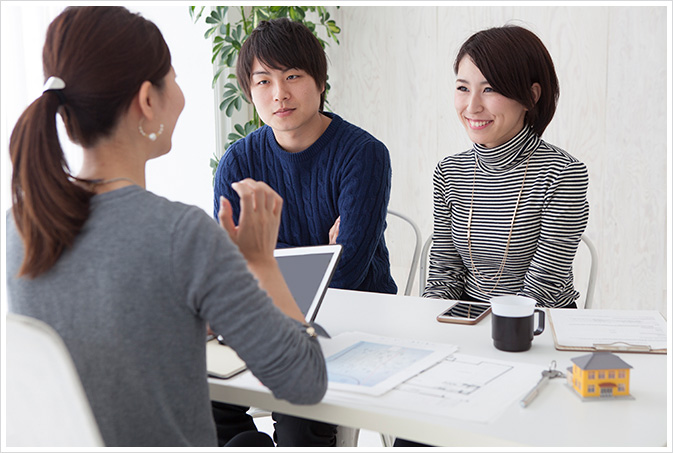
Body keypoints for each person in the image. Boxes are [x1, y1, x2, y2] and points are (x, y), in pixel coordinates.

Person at [6, 6, 327, 448]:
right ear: (147, 100)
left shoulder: (23, 225)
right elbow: (305, 382)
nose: (180, 92)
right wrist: (260, 262)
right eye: (173, 77)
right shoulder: (182, 233)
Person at [211, 18, 397, 447]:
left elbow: (346, 271)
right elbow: (232, 271)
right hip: (265, 322)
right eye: (264, 80)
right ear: (249, 90)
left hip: (354, 318)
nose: (279, 94)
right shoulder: (237, 164)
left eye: (293, 76)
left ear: (320, 81)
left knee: (298, 419)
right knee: (209, 395)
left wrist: (273, 257)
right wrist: (318, 252)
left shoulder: (363, 154)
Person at [423, 25, 589, 309]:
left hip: (538, 322)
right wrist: (431, 327)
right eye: (463, 88)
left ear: (532, 96)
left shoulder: (563, 173)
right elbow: (443, 278)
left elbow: (543, 287)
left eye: (490, 89)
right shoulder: (449, 171)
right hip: (467, 317)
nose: (472, 106)